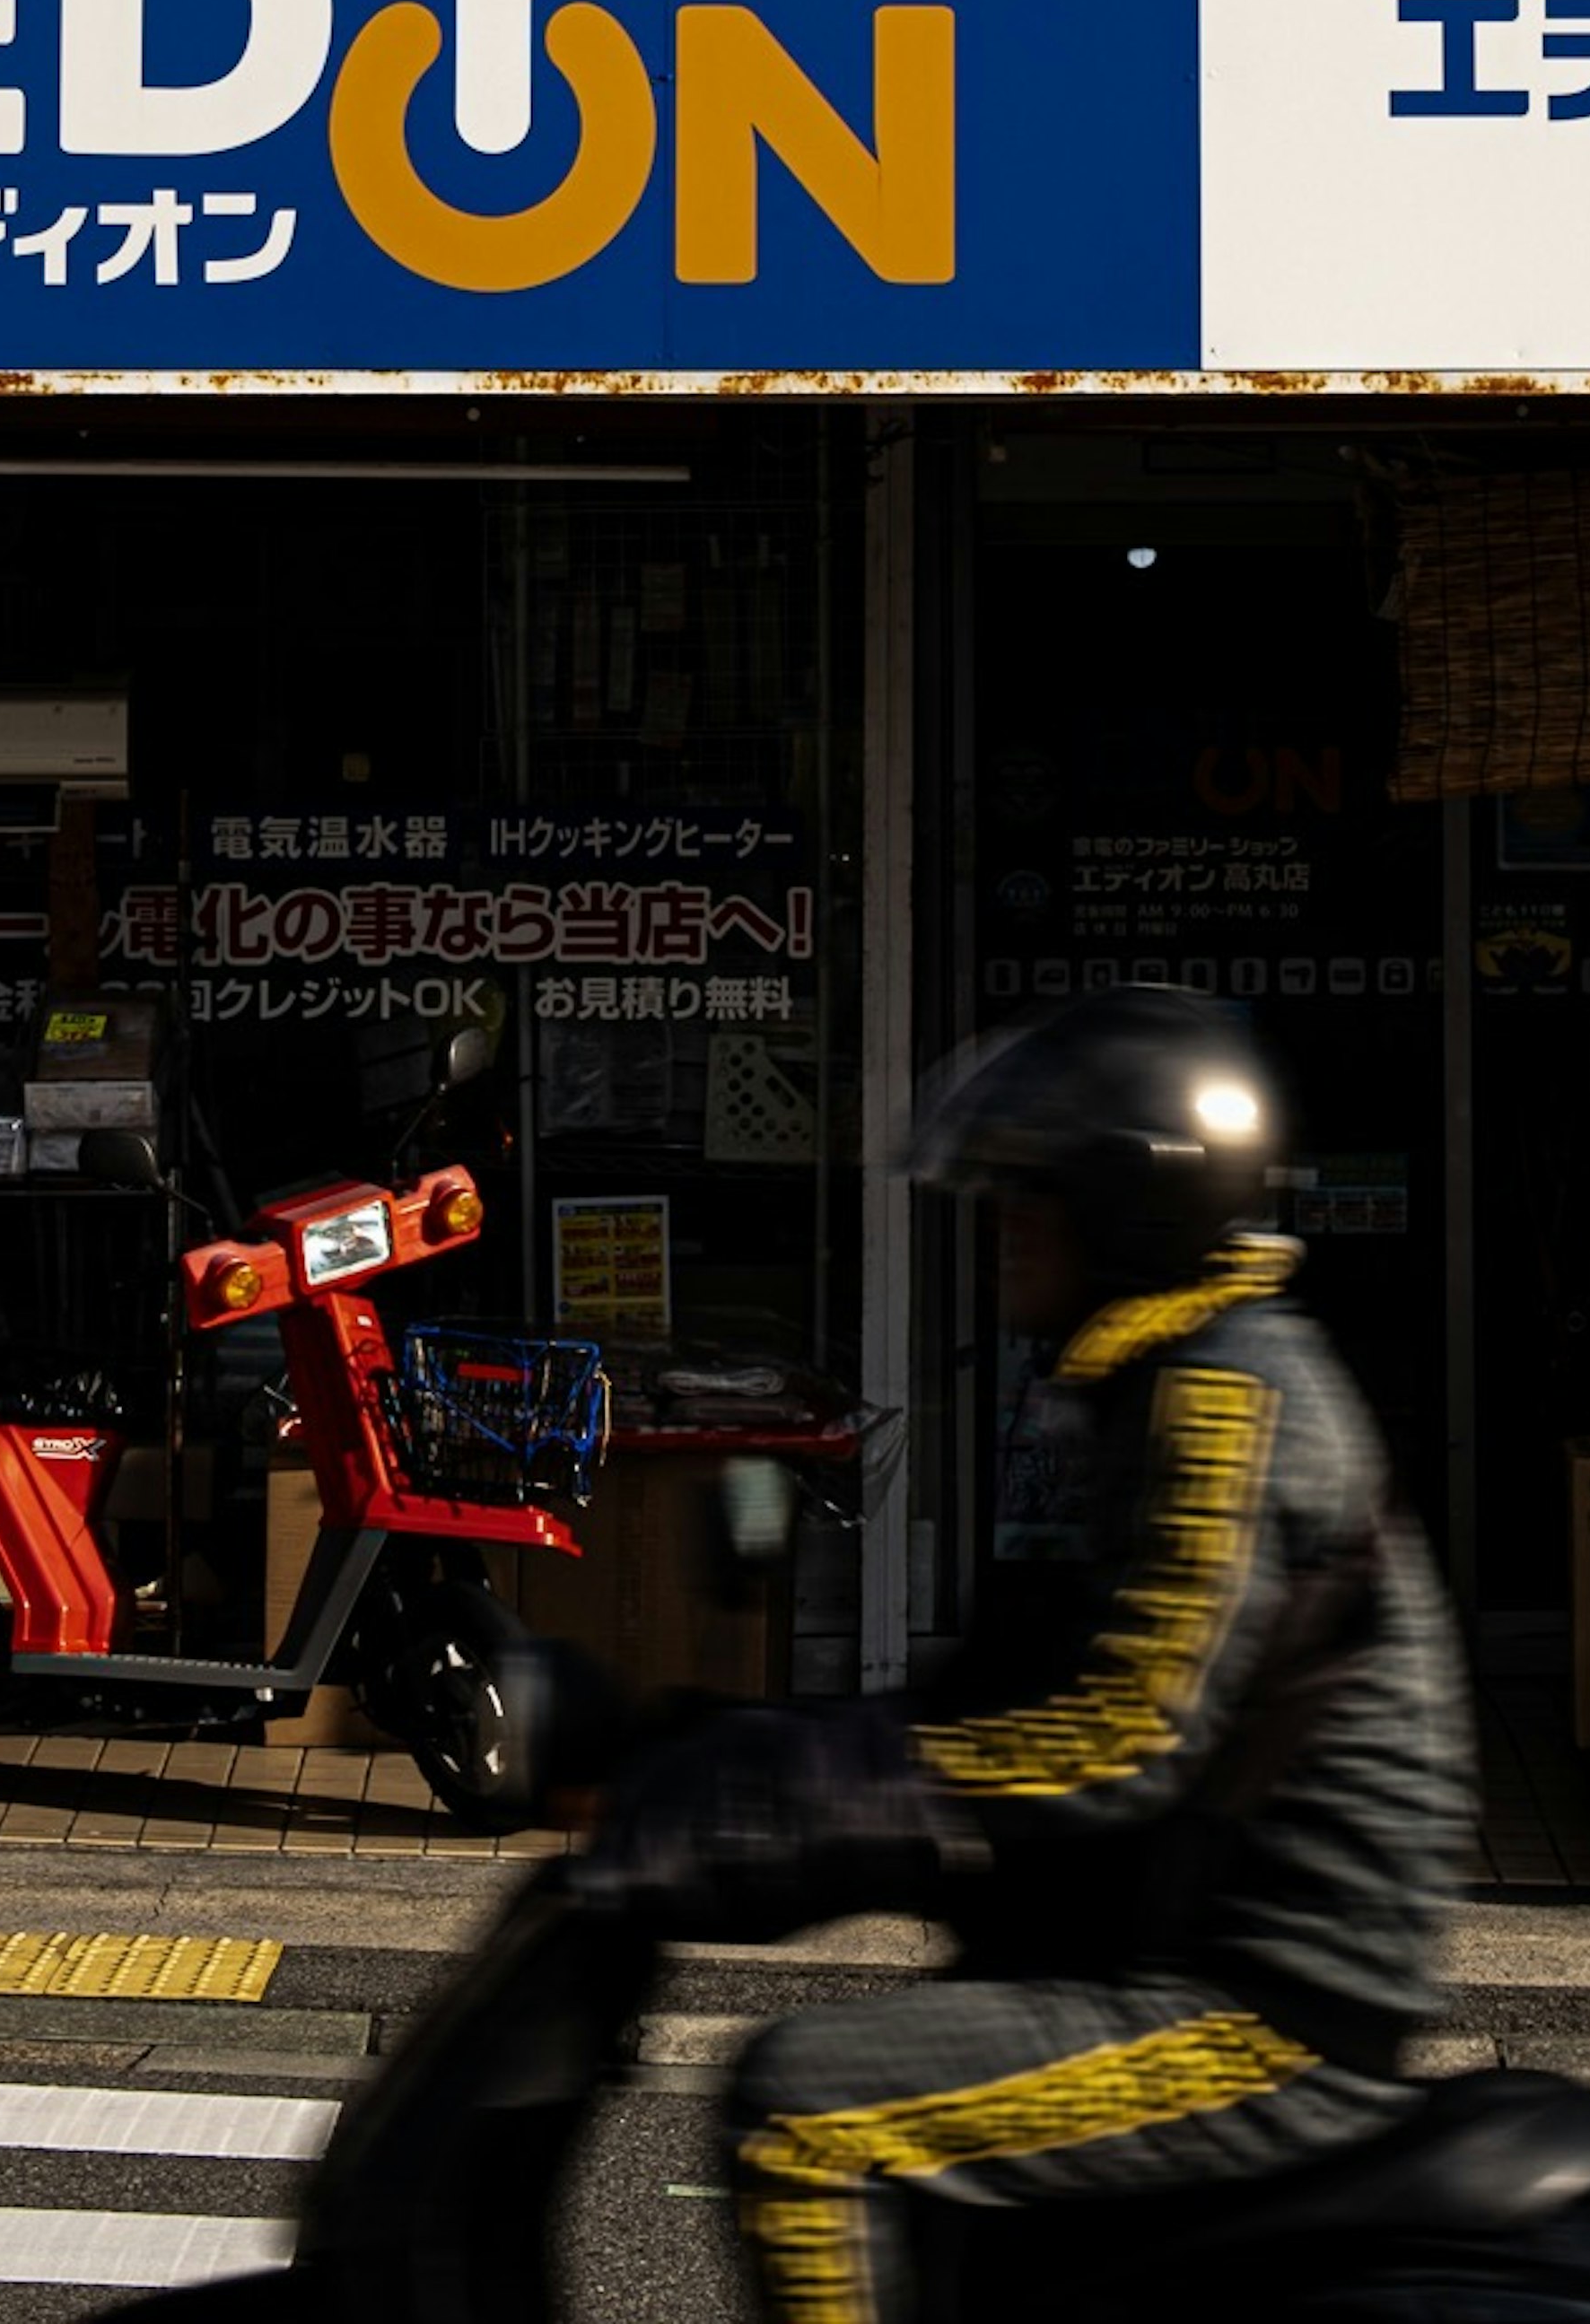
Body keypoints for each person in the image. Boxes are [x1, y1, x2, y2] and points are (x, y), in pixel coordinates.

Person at [581, 988, 1478, 2324]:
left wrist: (819, 1794)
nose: (1000, 1227)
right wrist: (721, 1742)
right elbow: (1011, 1689)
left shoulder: (1229, 1397)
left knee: (805, 2110)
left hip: (1266, 2009)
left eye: (1030, 1194)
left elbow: (1127, 1731)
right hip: (1177, 1936)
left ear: (1129, 1207)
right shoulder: (1155, 1381)